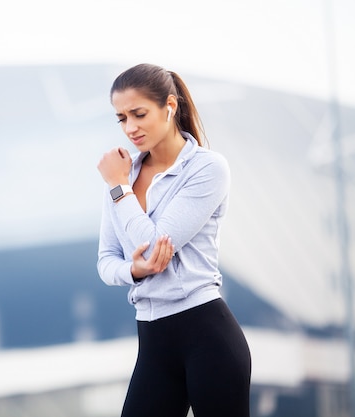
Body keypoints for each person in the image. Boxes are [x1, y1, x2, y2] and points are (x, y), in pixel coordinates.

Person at [96, 63, 252, 417]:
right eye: (121, 118)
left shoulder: (206, 169)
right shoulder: (122, 177)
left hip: (207, 334)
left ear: (170, 106)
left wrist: (120, 189)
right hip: (152, 339)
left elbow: (155, 246)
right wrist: (132, 271)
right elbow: (105, 261)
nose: (130, 128)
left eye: (139, 114)